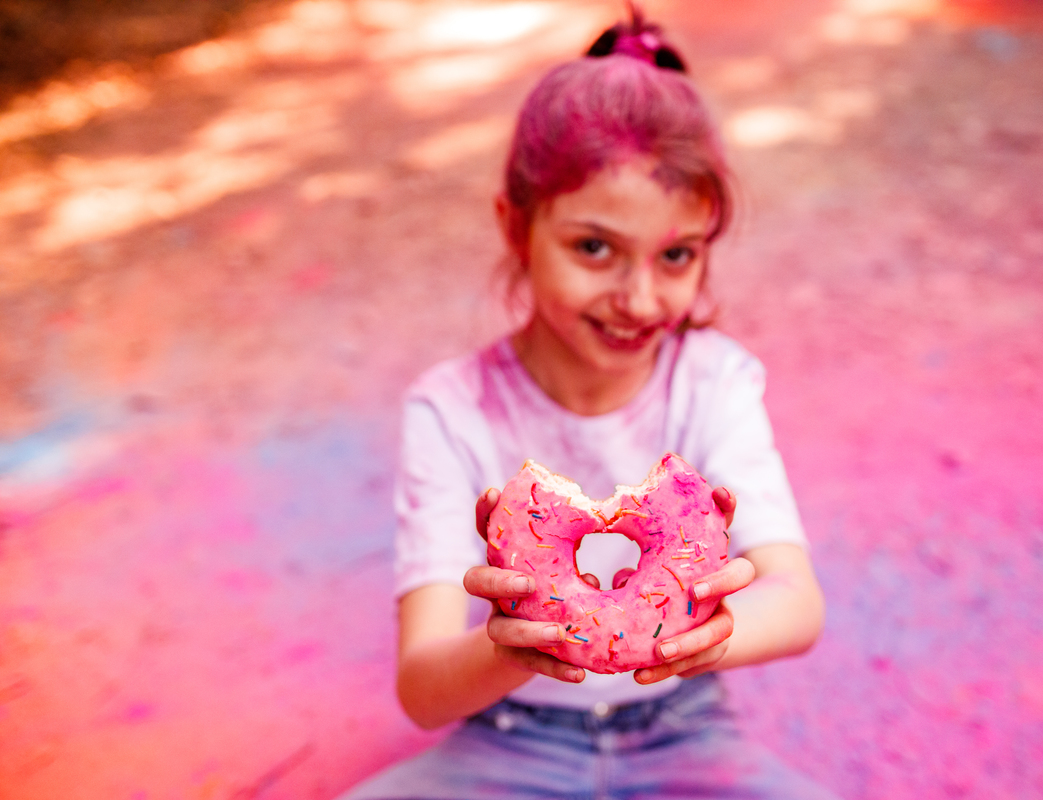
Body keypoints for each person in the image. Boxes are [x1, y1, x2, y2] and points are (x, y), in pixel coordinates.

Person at [338, 11, 837, 800]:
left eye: (676, 255)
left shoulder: (713, 383)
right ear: (517, 228)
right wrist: (512, 648)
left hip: (681, 724)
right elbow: (424, 687)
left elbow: (797, 602)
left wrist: (708, 633)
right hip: (509, 734)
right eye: (594, 248)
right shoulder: (451, 410)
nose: (639, 299)